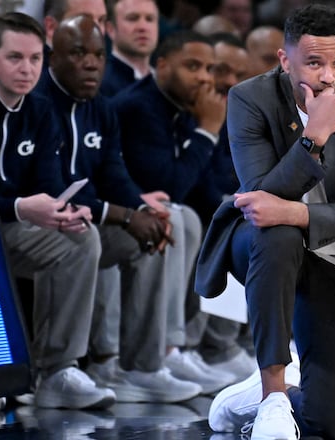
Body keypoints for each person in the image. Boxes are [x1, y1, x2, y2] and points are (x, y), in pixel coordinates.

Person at [197, 4, 335, 439]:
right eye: (314, 62)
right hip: (255, 241)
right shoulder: (249, 98)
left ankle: (263, 397)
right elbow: (263, 196)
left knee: (332, 425)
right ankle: (272, 393)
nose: (329, 75)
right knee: (279, 233)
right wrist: (314, 137)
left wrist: (298, 213)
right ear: (284, 60)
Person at [41, 14, 207, 402]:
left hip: (86, 214)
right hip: (46, 219)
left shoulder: (101, 108)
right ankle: (74, 365)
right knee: (88, 238)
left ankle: (143, 366)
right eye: (79, 53)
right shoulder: (39, 105)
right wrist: (123, 214)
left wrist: (137, 210)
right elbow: (52, 188)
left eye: (99, 55)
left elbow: (114, 174)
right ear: (53, 56)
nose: (91, 63)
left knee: (156, 229)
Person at [0, 12, 114, 409]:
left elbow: (48, 183)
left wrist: (61, 211)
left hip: (14, 226)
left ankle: (57, 370)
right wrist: (24, 208)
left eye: (35, 59)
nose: (27, 69)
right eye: (14, 58)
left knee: (81, 237)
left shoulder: (41, 111)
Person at [112, 30, 236, 391]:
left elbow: (210, 183)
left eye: (209, 68)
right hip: (129, 213)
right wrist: (209, 130)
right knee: (180, 217)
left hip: (163, 211)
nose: (204, 77)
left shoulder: (185, 107)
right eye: (192, 66)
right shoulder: (139, 107)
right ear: (161, 65)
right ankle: (167, 349)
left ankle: (199, 346)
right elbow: (172, 185)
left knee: (234, 213)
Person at [182, 31, 256, 382]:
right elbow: (196, 183)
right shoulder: (196, 109)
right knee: (234, 215)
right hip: (189, 208)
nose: (229, 81)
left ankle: (246, 341)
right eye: (221, 70)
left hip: (212, 207)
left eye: (239, 75)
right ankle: (213, 346)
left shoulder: (238, 113)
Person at [100, 0, 158, 97]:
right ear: (111, 29)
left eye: (149, 19)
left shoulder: (167, 82)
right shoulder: (100, 82)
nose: (143, 27)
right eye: (132, 19)